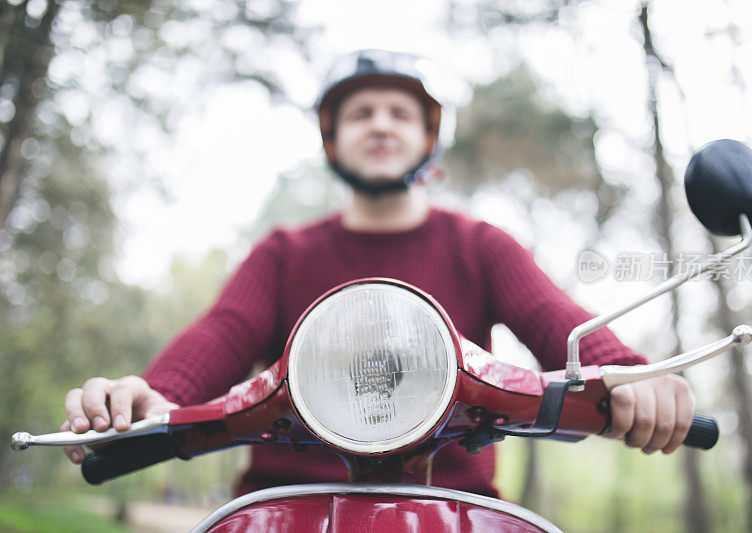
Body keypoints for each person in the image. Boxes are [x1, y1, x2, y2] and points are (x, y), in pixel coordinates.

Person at [62, 49, 695, 498]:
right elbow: (224, 332)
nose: (382, 123)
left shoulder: (480, 245)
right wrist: (155, 394)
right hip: (284, 507)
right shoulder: (285, 251)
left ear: (429, 140)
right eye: (362, 113)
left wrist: (628, 372)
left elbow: (560, 321)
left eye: (401, 112)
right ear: (333, 140)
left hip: (452, 510)